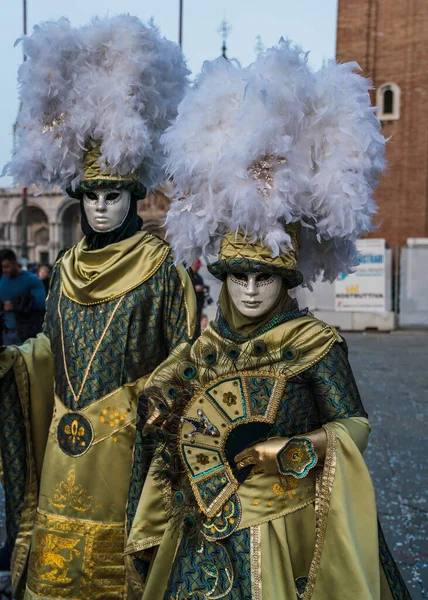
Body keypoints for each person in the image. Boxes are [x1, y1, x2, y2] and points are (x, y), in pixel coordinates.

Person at [126, 42, 410, 599]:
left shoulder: (313, 343)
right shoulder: (204, 350)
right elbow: (163, 404)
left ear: (287, 282)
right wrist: (158, 411)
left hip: (286, 527)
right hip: (205, 531)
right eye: (240, 277)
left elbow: (354, 424)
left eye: (265, 278)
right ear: (224, 278)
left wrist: (292, 449)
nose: (251, 290)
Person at [1, 15, 195, 600]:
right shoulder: (62, 270)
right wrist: (15, 363)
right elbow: (49, 350)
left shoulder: (164, 271)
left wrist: (143, 404)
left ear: (134, 197)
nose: (102, 207)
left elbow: (186, 357)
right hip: (65, 448)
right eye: (91, 196)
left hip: (128, 455)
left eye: (114, 195)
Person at [0, 249, 45, 345]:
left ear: (15, 262)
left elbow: (40, 302)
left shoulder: (32, 280)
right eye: (2, 267)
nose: (5, 270)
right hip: (4, 334)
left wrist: (15, 304)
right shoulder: (2, 278)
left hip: (25, 334)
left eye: (7, 267)